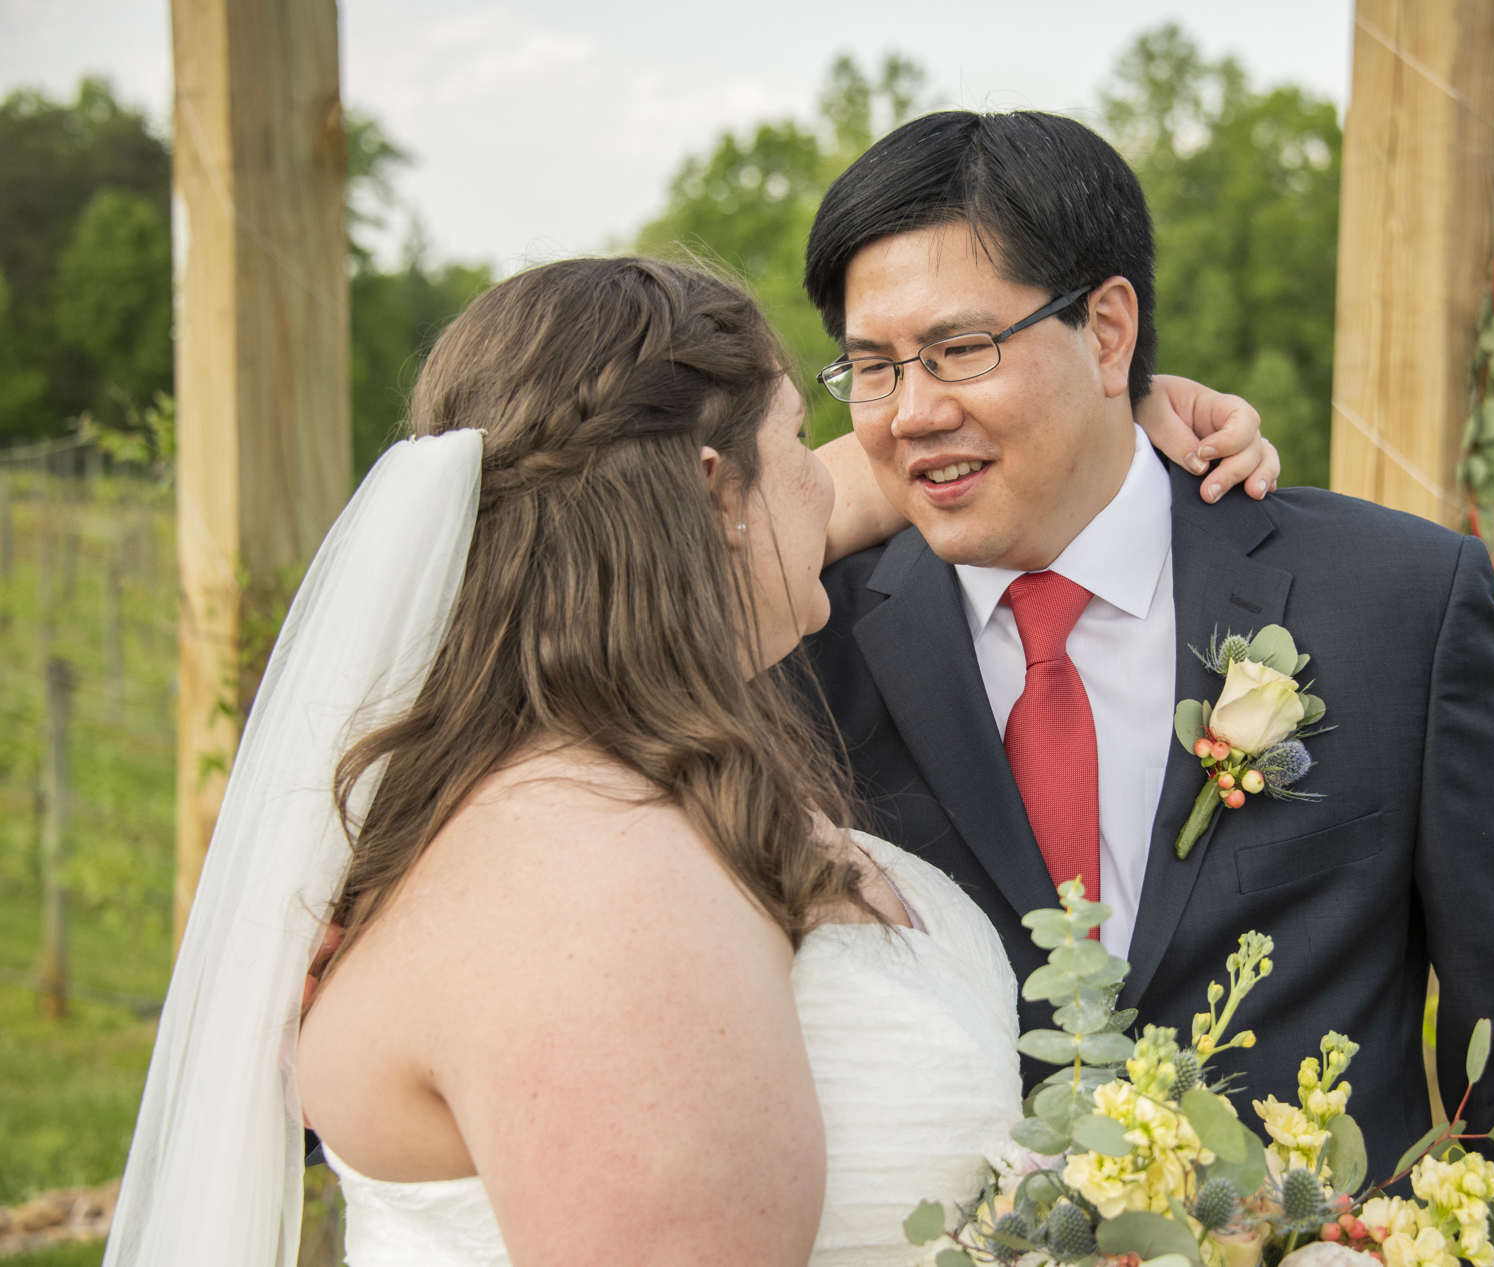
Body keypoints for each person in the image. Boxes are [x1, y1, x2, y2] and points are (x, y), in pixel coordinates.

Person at [102, 256, 1275, 1267]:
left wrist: (1104, 416)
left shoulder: (590, 786)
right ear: (715, 491)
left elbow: (858, 492)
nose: (829, 475)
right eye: (791, 438)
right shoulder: (592, 882)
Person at [801, 109, 1494, 1260]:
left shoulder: (1394, 603)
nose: (910, 409)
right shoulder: (805, 643)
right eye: (870, 367)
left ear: (1108, 331)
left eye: (959, 350)